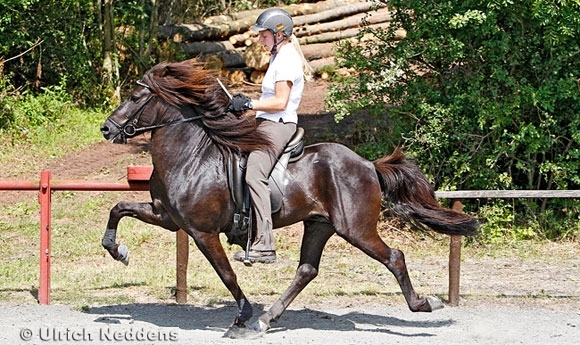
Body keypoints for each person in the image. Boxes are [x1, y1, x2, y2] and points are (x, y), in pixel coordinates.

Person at [229, 8, 311, 264]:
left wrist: (249, 104)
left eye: (263, 35)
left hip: (279, 125)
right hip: (265, 122)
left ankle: (265, 243)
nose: (260, 39)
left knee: (255, 173)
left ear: (279, 34)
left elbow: (279, 102)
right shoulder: (278, 57)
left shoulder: (287, 59)